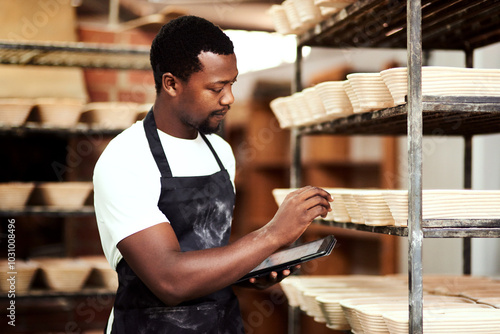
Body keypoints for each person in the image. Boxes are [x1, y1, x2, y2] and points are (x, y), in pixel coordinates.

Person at [93, 15, 333, 334]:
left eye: (231, 84)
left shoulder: (220, 152)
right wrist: (273, 234)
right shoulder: (126, 158)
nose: (229, 98)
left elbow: (207, 252)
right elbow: (170, 280)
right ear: (171, 84)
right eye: (216, 87)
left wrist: (251, 270)